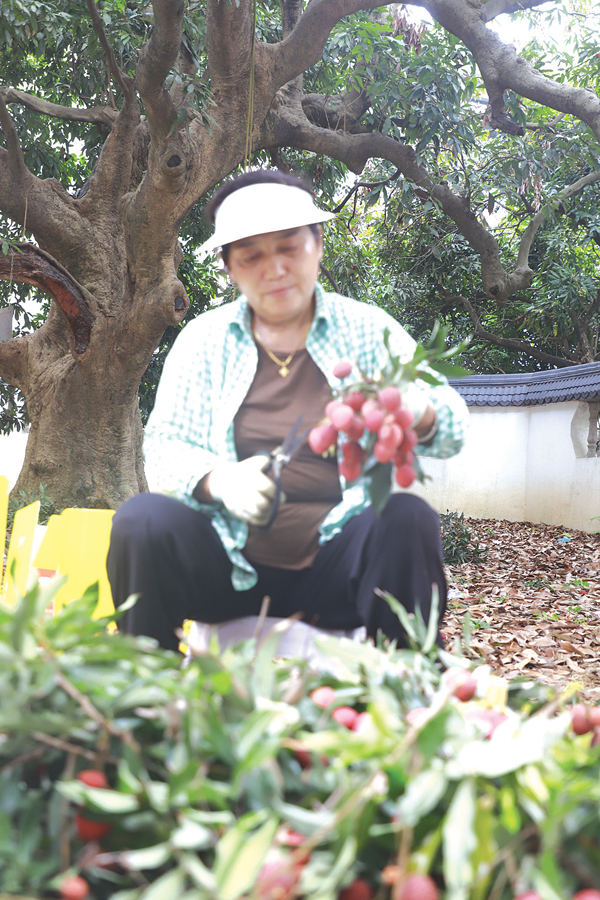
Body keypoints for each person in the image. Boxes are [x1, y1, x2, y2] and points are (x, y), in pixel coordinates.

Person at [107, 169, 469, 652]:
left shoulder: (366, 331)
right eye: (251, 256)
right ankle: (148, 681)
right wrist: (218, 480)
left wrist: (417, 410)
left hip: (338, 576)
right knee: (142, 521)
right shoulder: (204, 341)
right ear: (229, 268)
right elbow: (165, 444)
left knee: (407, 517)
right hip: (227, 573)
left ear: (318, 245)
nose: (274, 269)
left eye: (289, 247)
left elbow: (453, 425)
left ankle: (410, 677)